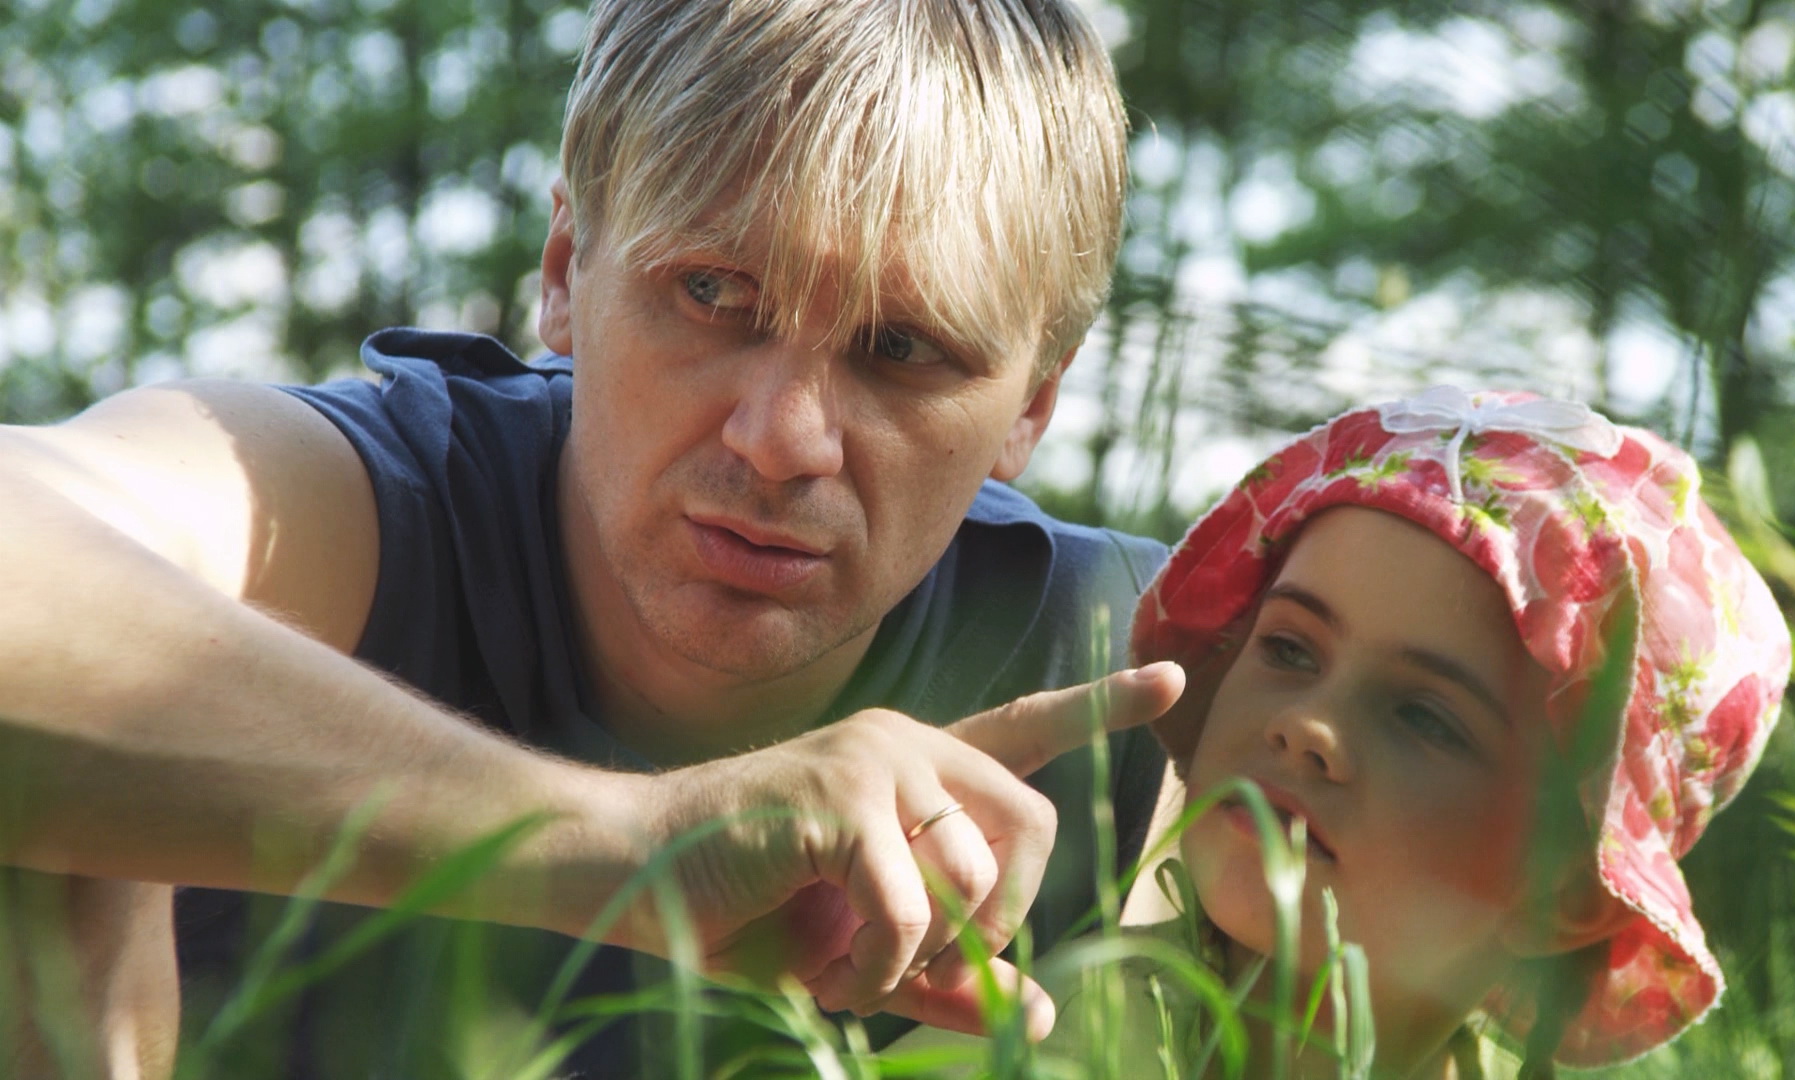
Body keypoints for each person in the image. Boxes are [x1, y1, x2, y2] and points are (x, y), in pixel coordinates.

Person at [0, 1, 1186, 1075]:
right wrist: (632, 849)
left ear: (1033, 401)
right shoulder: (365, 501)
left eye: (902, 349)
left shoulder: (1142, 668)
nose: (782, 440)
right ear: (567, 271)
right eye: (714, 294)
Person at [940, 386, 1790, 1078]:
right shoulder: (1017, 1043)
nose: (1307, 725)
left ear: (1566, 889)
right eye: (1287, 647)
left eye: (1424, 716)